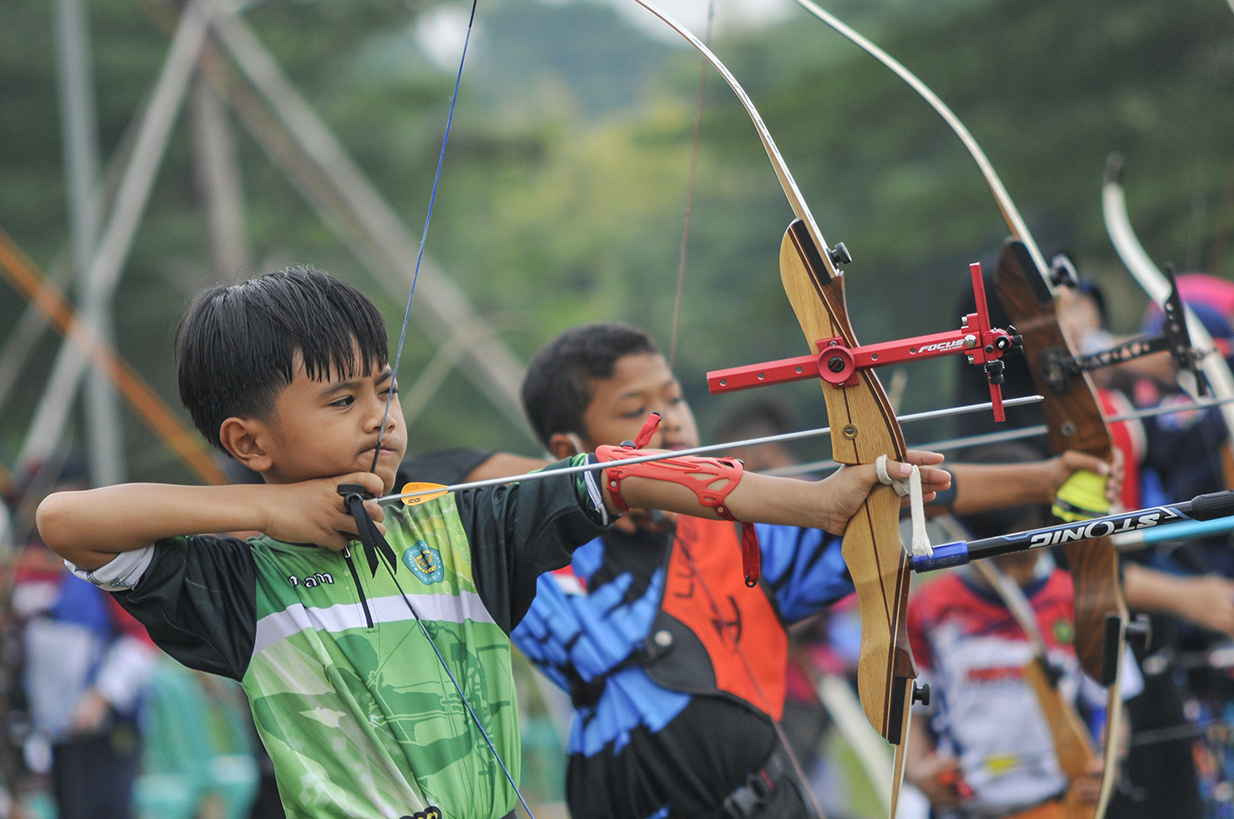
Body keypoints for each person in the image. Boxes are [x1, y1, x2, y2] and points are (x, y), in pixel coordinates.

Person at [33, 267, 948, 819]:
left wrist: (817, 502)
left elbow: (619, 474)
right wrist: (268, 513)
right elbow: (65, 521)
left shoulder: (461, 522)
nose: (381, 419)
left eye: (385, 391)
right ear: (248, 442)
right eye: (342, 401)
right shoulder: (235, 584)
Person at [502, 323, 1115, 819]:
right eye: (636, 409)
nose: (672, 421)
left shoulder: (745, 530)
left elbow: (900, 496)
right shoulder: (537, 560)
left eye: (674, 397)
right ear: (567, 451)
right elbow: (440, 481)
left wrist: (1048, 478)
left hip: (762, 796)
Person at [905, 443, 1140, 819]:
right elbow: (914, 712)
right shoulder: (929, 609)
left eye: (1025, 555)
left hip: (1058, 804)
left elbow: (1111, 708)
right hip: (964, 807)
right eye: (1000, 561)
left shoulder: (1080, 600)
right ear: (965, 539)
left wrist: (1107, 763)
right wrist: (917, 770)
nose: (1013, 578)